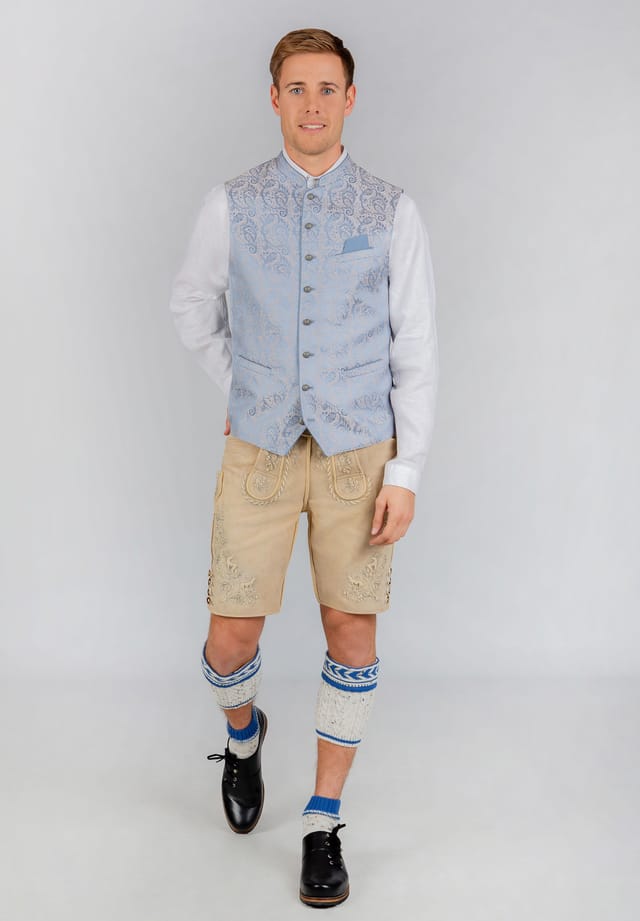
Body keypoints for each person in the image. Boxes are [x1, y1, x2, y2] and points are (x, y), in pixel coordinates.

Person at [169, 27, 438, 908]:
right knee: (229, 638)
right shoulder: (232, 203)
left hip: (361, 453)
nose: (313, 104)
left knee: (350, 632)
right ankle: (244, 736)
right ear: (275, 98)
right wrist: (244, 385)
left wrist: (406, 472)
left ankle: (323, 822)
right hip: (259, 448)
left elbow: (416, 346)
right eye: (297, 88)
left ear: (350, 99)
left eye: (328, 88)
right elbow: (192, 304)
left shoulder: (391, 210)